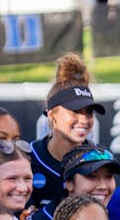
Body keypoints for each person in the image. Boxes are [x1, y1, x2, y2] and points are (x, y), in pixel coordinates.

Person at [28, 52, 106, 207]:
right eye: (75, 111)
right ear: (52, 115)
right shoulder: (28, 159)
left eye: (89, 112)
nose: (84, 120)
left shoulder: (100, 158)